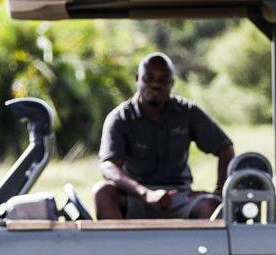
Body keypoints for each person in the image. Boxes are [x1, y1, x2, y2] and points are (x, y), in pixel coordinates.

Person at [94, 52, 235, 220]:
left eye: (162, 80)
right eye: (149, 78)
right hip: (135, 196)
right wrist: (145, 193)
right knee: (102, 193)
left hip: (179, 196)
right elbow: (108, 166)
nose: (155, 85)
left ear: (171, 83)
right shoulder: (119, 117)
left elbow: (225, 147)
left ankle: (204, 246)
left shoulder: (187, 112)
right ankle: (116, 246)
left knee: (212, 206)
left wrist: (219, 191)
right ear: (138, 78)